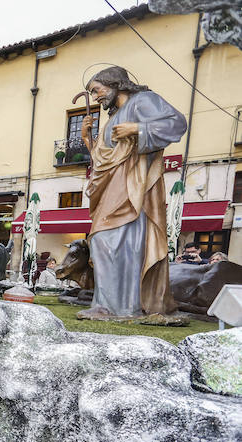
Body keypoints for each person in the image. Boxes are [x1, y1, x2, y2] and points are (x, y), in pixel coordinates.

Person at [78, 66, 187, 319]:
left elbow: (176, 123)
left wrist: (137, 128)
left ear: (115, 83)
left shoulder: (142, 101)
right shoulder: (112, 118)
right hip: (112, 186)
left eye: (97, 90)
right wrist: (86, 138)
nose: (95, 97)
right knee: (101, 241)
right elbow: (104, 159)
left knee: (119, 241)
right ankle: (105, 304)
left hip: (133, 186)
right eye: (92, 93)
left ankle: (124, 307)